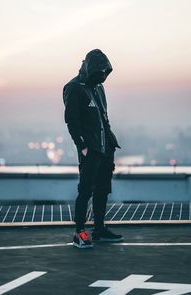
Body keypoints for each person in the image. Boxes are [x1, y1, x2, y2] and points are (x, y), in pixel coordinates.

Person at [63, 49, 124, 249]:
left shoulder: (98, 88)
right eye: (101, 71)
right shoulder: (74, 88)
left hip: (105, 147)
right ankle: (79, 231)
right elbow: (72, 121)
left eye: (106, 72)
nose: (103, 76)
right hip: (90, 149)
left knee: (103, 190)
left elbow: (103, 118)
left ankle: (99, 229)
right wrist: (82, 147)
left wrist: (110, 143)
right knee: (85, 190)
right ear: (91, 69)